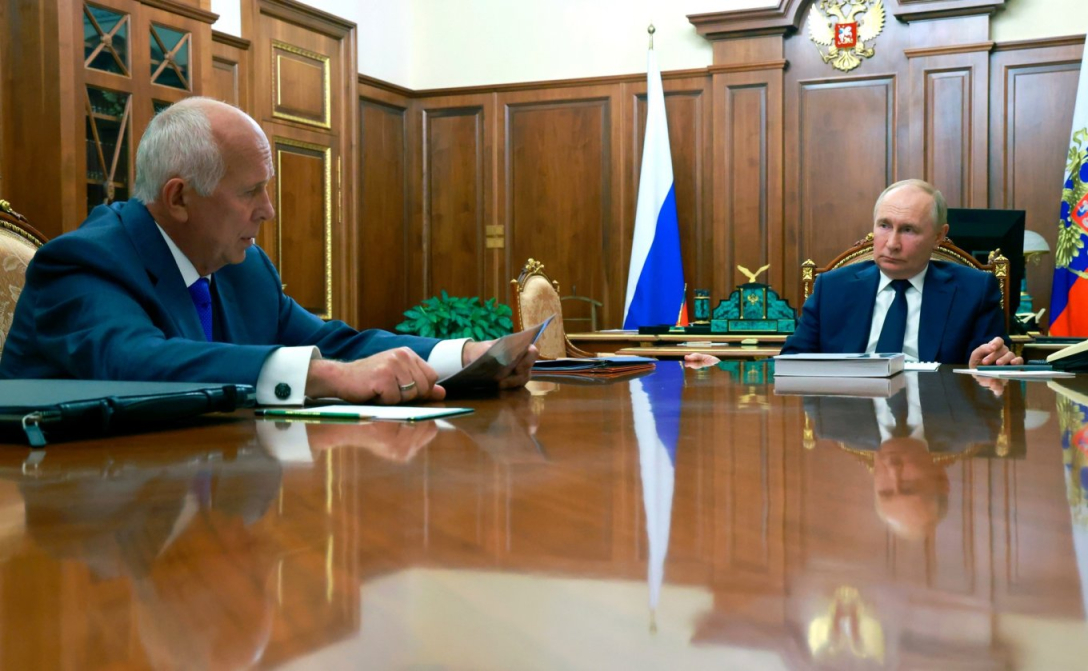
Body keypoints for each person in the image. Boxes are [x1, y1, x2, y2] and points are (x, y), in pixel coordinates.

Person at [0, 97, 536, 404]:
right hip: (75, 522)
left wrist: (464, 358)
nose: (269, 211)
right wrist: (327, 375)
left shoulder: (243, 266)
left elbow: (332, 342)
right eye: (251, 191)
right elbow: (137, 363)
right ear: (179, 198)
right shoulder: (85, 264)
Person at [781, 179, 1023, 366]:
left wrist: (989, 363)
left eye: (908, 230)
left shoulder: (974, 291)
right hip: (850, 411)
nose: (892, 243)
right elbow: (792, 361)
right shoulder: (832, 288)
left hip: (936, 413)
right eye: (884, 226)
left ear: (939, 236)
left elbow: (989, 362)